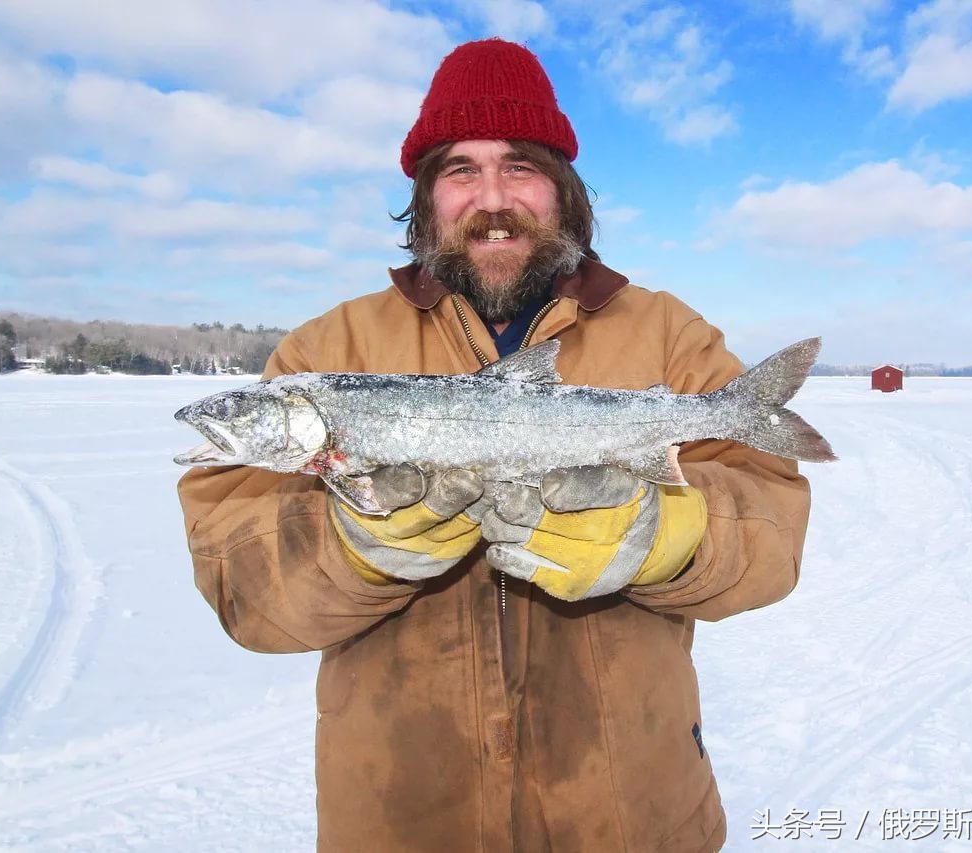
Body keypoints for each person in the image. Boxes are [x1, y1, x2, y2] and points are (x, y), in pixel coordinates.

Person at [177, 37, 811, 853]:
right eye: (460, 170)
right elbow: (240, 586)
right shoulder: (324, 350)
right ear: (427, 199)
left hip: (630, 817)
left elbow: (774, 529)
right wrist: (353, 546)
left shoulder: (666, 333)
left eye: (519, 166)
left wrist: (669, 534)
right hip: (400, 817)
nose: (492, 196)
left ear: (563, 190)